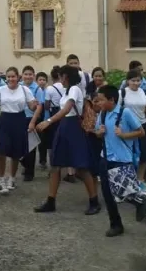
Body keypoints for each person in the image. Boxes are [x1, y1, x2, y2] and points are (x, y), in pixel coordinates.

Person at [34, 65, 101, 215]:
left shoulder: (75, 90)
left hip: (73, 129)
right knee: (56, 165)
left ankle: (94, 201)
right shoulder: (66, 91)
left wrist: (49, 121)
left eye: (61, 76)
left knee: (81, 167)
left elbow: (67, 109)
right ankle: (50, 201)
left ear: (66, 76)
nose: (59, 79)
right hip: (64, 128)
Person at [94, 84, 146, 237]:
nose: (99, 103)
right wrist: (100, 132)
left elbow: (141, 132)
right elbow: (98, 132)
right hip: (105, 157)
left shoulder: (125, 113)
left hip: (121, 159)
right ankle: (116, 225)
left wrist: (124, 135)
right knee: (108, 194)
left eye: (101, 100)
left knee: (123, 192)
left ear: (111, 99)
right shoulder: (102, 114)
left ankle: (139, 201)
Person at [0, 67, 39, 195]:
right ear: (5, 78)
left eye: (13, 76)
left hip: (19, 119)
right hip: (5, 120)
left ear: (18, 77)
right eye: (8, 77)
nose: (11, 79)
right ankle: (1, 180)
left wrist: (35, 105)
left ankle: (12, 179)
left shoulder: (25, 90)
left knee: (16, 153)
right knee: (1, 152)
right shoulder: (0, 90)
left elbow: (31, 105)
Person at [121, 68, 146, 192]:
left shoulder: (144, 92)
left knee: (145, 155)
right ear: (128, 81)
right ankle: (128, 180)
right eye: (133, 80)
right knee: (129, 155)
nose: (136, 83)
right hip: (128, 128)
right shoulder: (122, 93)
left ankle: (140, 179)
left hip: (143, 125)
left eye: (138, 80)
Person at [19, 65, 45, 181]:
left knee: (31, 147)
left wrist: (33, 122)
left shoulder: (37, 89)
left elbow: (39, 106)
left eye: (30, 74)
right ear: (22, 75)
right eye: (26, 74)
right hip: (19, 118)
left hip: (31, 118)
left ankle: (29, 173)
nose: (28, 76)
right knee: (20, 145)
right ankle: (24, 163)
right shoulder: (18, 87)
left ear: (34, 76)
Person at [85, 67, 108, 178]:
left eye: (100, 75)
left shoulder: (107, 88)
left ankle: (103, 170)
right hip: (91, 117)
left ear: (104, 77)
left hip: (103, 115)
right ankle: (95, 170)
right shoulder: (89, 87)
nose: (98, 78)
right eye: (96, 76)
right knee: (94, 145)